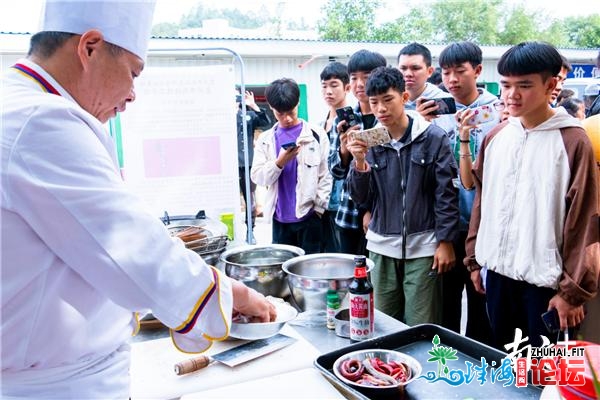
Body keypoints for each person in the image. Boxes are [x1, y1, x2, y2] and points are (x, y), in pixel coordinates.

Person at [0, 1, 275, 397]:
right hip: (59, 386)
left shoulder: (17, 103)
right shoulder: (40, 120)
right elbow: (129, 245)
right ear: (90, 47)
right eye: (132, 73)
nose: (132, 95)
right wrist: (232, 294)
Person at [465, 41, 599, 350]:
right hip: (497, 278)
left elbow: (585, 221)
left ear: (551, 84)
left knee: (543, 379)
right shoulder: (495, 137)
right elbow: (482, 205)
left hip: (546, 287)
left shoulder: (573, 140)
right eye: (506, 85)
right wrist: (474, 262)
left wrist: (571, 292)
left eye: (524, 85)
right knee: (505, 369)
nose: (512, 95)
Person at [346, 66, 459, 325]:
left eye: (388, 100)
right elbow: (362, 199)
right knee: (384, 323)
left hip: (424, 247)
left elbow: (446, 193)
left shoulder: (433, 137)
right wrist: (360, 162)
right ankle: (386, 367)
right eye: (374, 102)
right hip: (381, 248)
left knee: (421, 323)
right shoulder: (368, 141)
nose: (381, 109)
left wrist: (445, 241)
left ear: (404, 98)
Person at [427, 41, 499, 344]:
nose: (452, 79)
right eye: (446, 73)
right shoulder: (438, 111)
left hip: (482, 223)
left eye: (460, 71)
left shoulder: (497, 112)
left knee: (481, 300)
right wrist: (421, 124)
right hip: (445, 222)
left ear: (478, 71)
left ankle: (481, 365)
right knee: (445, 304)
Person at [251, 78, 332, 254]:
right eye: (280, 113)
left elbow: (326, 175)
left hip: (310, 218)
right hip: (279, 220)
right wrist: (280, 162)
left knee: (310, 274)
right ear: (271, 108)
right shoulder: (265, 140)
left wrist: (318, 209)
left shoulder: (316, 135)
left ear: (298, 103)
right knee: (284, 274)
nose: (287, 118)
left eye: (291, 112)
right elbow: (257, 176)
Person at [328, 49, 387, 255]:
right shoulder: (344, 119)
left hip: (383, 213)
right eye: (354, 78)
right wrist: (344, 149)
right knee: (352, 278)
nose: (359, 84)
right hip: (349, 213)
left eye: (367, 77)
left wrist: (370, 209)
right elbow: (336, 172)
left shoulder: (389, 120)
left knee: (377, 281)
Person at [318, 61, 350, 252]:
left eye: (334, 85)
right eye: (324, 86)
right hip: (324, 202)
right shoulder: (320, 123)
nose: (328, 91)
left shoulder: (352, 120)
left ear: (347, 87)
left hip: (345, 202)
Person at [236, 89, 271, 241]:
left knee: (250, 199)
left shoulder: (248, 116)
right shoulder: (221, 117)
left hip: (246, 163)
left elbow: (266, 123)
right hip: (229, 165)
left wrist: (253, 105)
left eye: (237, 96)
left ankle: (250, 231)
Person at [396, 42, 449, 110]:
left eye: (415, 68)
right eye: (403, 68)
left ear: (429, 71)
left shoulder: (443, 101)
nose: (408, 74)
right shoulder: (390, 101)